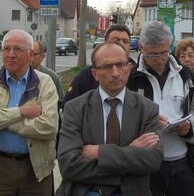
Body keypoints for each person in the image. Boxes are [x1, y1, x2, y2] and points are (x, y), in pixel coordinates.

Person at [57, 42, 163, 196]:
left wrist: (100, 152)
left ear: (128, 68)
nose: (115, 73)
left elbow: (152, 160)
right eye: (107, 67)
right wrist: (131, 153)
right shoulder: (75, 109)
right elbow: (68, 165)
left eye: (120, 65)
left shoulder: (147, 109)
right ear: (94, 74)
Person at [128, 21, 194, 196]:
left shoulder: (184, 75)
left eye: (163, 53)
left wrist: (190, 127)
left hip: (182, 162)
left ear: (170, 46)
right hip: (147, 165)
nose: (159, 60)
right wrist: (148, 121)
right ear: (142, 47)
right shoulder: (131, 78)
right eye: (152, 55)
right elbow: (119, 116)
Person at [0, 29, 59, 195]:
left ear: (30, 54)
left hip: (35, 170)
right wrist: (20, 112)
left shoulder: (45, 82)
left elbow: (49, 127)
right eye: (6, 49)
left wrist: (2, 122)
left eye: (17, 49)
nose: (10, 54)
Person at [63, 24, 133, 106]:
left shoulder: (139, 74)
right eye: (116, 41)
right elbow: (68, 106)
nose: (121, 44)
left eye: (125, 41)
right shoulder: (87, 75)